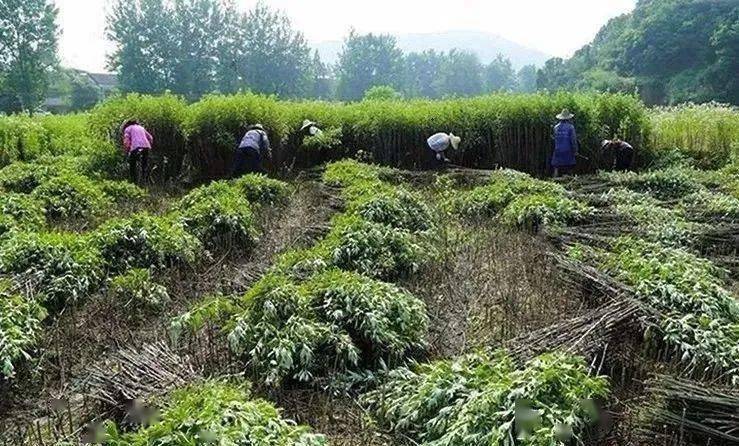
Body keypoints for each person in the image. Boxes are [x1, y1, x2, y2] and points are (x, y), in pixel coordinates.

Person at [122, 120, 153, 185]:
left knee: (132, 165)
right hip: (146, 147)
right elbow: (150, 137)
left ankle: (133, 182)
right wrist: (149, 145)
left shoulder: (127, 129)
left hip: (136, 147)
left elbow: (126, 142)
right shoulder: (141, 128)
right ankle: (145, 180)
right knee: (144, 166)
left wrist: (126, 151)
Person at [551, 109, 578, 177]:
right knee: (570, 166)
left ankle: (555, 180)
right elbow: (573, 140)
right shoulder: (571, 127)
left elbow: (555, 139)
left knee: (556, 166)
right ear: (568, 118)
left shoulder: (556, 127)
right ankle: (571, 179)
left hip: (558, 149)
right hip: (568, 149)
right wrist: (575, 150)